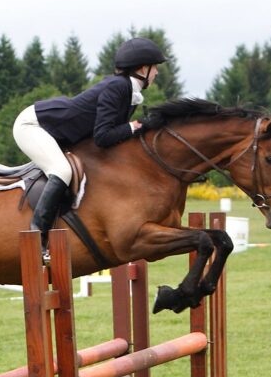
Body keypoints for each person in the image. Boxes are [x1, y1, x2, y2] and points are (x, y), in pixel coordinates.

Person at [12, 37, 167, 250]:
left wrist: (138, 128)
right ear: (142, 68)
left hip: (56, 129)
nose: (157, 73)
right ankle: (37, 237)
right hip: (33, 125)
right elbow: (103, 136)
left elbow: (110, 136)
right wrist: (136, 126)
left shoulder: (127, 90)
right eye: (155, 68)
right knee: (62, 171)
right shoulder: (118, 87)